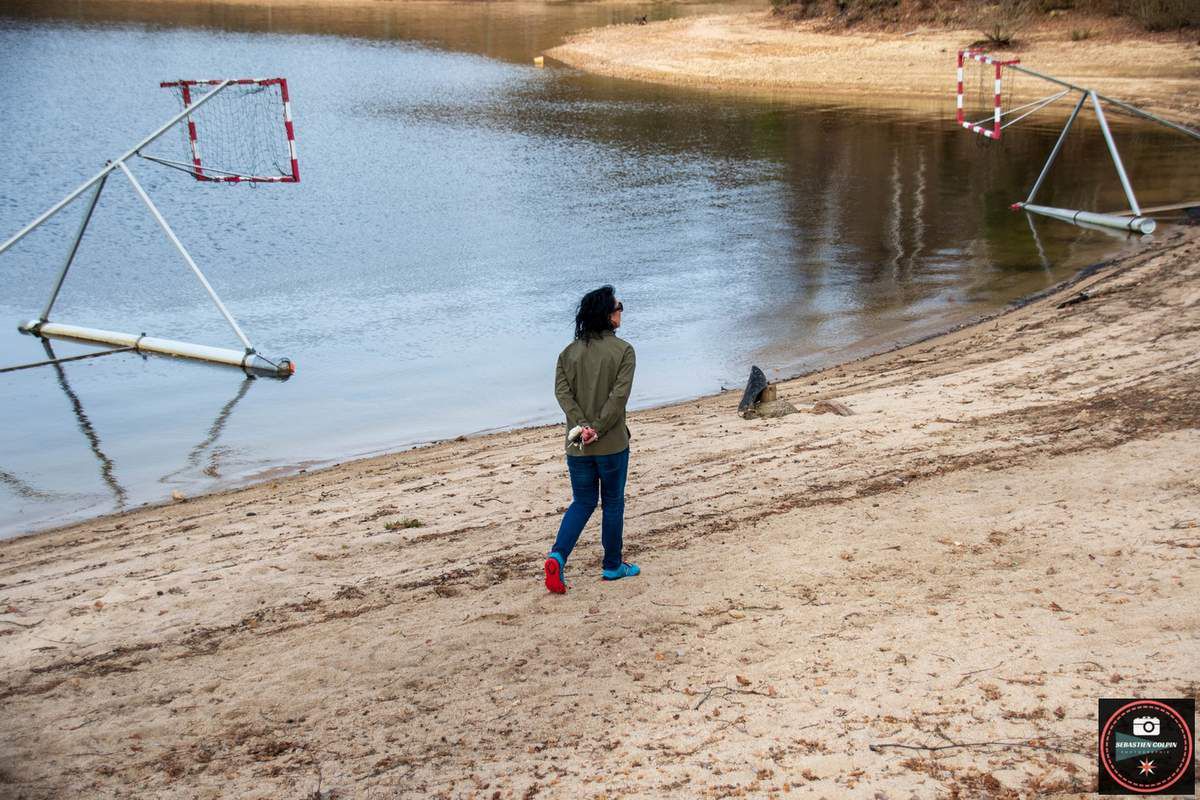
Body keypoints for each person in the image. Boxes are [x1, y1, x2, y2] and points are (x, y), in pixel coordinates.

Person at [544, 285, 639, 594]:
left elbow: (563, 394)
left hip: (577, 445)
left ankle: (558, 555)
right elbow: (619, 398)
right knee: (612, 502)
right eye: (619, 306)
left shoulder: (567, 354)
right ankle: (612, 565)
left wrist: (582, 425)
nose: (621, 310)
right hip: (611, 444)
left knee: (583, 501)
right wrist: (597, 427)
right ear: (607, 315)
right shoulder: (624, 351)